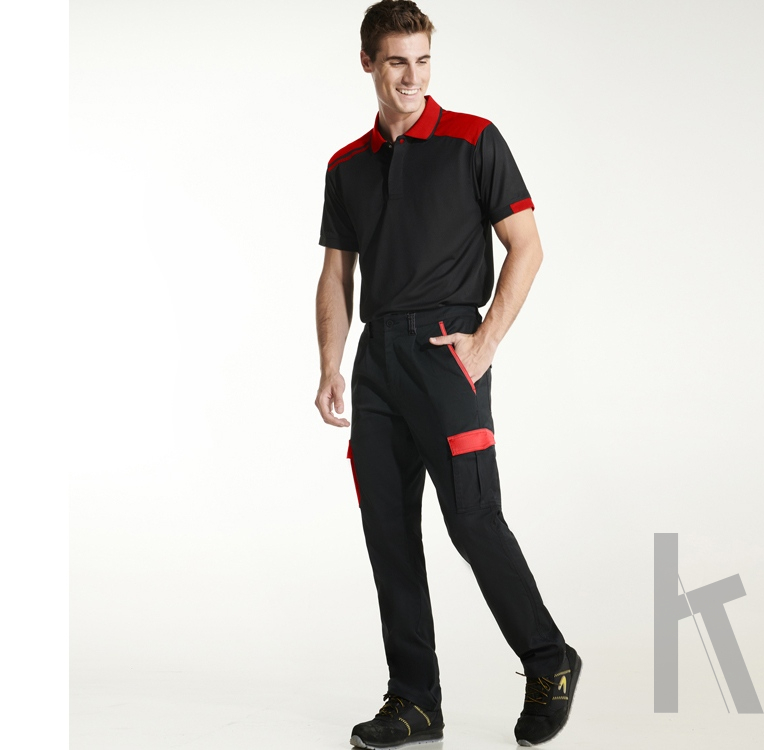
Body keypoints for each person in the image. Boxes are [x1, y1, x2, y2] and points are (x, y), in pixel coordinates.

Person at [314, 2, 580, 747]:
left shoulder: (473, 139)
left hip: (444, 352)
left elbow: (526, 245)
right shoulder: (347, 165)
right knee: (388, 531)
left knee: (472, 519)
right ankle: (415, 700)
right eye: (398, 61)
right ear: (368, 62)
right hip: (376, 362)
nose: (413, 77)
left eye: (423, 60)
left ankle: (549, 660)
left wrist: (484, 344)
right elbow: (336, 272)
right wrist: (331, 363)